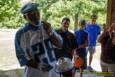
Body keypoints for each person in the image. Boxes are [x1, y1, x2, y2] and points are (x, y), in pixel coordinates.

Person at [15, 2, 63, 77]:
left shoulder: (47, 26)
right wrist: (39, 66)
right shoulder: (21, 34)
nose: (35, 15)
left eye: (36, 12)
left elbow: (60, 45)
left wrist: (50, 32)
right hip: (34, 73)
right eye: (30, 14)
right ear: (25, 17)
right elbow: (22, 57)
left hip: (53, 73)